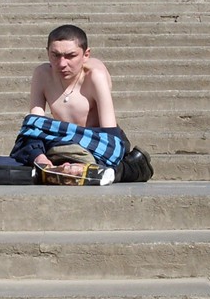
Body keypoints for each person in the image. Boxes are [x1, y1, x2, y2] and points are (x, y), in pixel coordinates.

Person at [10, 24, 154, 182]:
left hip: (97, 141)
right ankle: (66, 167)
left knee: (111, 150)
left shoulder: (95, 76)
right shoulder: (42, 74)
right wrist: (40, 159)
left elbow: (110, 135)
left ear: (86, 55)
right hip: (62, 141)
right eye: (55, 55)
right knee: (27, 140)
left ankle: (118, 170)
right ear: (47, 53)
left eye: (70, 56)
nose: (62, 63)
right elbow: (35, 127)